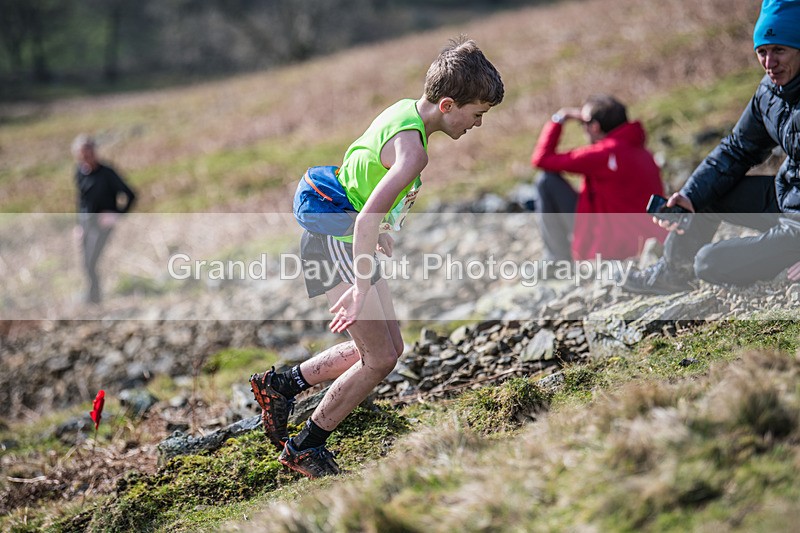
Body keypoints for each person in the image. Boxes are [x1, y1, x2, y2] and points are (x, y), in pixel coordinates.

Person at [249, 37, 504, 479]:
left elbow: (361, 173)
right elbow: (366, 218)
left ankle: (282, 386)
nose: (478, 124)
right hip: (340, 242)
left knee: (389, 348)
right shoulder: (415, 153)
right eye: (477, 114)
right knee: (379, 358)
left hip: (346, 236)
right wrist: (359, 285)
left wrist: (380, 232)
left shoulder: (406, 111)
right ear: (448, 104)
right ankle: (305, 447)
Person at [621, 0, 800, 295]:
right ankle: (671, 273)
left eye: (779, 50)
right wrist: (690, 196)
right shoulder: (770, 93)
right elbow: (737, 149)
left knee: (708, 263)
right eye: (762, 52)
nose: (770, 63)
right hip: (786, 198)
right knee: (708, 194)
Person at [530, 94, 666, 262]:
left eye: (583, 123)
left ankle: (557, 259)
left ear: (595, 127)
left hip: (614, 244)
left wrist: (559, 118)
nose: (583, 128)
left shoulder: (603, 154)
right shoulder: (643, 152)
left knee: (546, 181)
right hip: (648, 238)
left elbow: (541, 159)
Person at [72, 134, 136, 304]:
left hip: (102, 226)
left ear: (95, 152)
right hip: (86, 224)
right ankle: (91, 296)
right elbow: (81, 201)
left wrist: (116, 214)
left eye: (89, 152)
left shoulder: (107, 173)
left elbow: (130, 195)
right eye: (83, 154)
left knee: (92, 262)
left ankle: (95, 299)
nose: (86, 157)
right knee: (85, 263)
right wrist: (78, 225)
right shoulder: (80, 172)